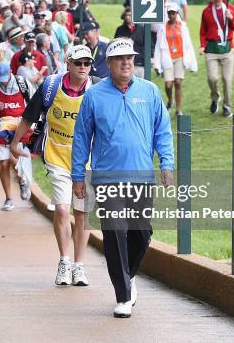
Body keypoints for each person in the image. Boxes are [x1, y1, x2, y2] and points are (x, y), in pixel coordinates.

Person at [71, 37, 174, 318]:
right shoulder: (94, 95)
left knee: (141, 234)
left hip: (141, 176)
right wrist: (78, 176)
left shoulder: (150, 91)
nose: (127, 62)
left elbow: (162, 131)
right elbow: (81, 138)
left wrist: (167, 163)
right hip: (107, 178)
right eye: (120, 58)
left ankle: (127, 276)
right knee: (114, 233)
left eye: (130, 57)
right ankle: (123, 295)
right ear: (109, 64)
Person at [10, 45, 100, 286]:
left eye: (87, 63)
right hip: (57, 154)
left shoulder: (98, 88)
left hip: (87, 159)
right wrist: (15, 143)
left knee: (82, 213)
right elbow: (29, 116)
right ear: (68, 64)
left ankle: (79, 266)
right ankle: (64, 261)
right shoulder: (51, 86)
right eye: (78, 63)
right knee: (62, 209)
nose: (83, 68)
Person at [0, 62, 33, 211]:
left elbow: (34, 101)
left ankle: (23, 181)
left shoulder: (22, 83)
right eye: (0, 78)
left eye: (5, 77)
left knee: (20, 160)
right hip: (2, 129)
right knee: (4, 163)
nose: (3, 81)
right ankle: (8, 198)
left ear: (11, 72)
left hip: (21, 128)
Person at [199, 0, 234, 117]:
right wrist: (202, 45)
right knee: (212, 78)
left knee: (227, 80)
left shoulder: (230, 9)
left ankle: (227, 106)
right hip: (211, 49)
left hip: (227, 49)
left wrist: (231, 19)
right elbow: (203, 31)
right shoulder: (206, 11)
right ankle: (215, 97)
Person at [154, 2, 197, 115]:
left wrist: (192, 62)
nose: (171, 15)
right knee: (168, 84)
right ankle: (170, 99)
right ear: (167, 14)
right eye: (170, 13)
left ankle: (178, 109)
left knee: (178, 82)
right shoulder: (162, 27)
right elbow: (158, 46)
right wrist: (157, 64)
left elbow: (188, 44)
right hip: (167, 57)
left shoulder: (182, 26)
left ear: (177, 13)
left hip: (179, 57)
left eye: (173, 13)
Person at [113, 9, 149, 78]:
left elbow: (148, 45)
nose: (127, 17)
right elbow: (115, 46)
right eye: (126, 15)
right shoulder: (120, 30)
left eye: (129, 15)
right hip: (124, 64)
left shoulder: (141, 29)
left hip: (139, 63)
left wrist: (148, 57)